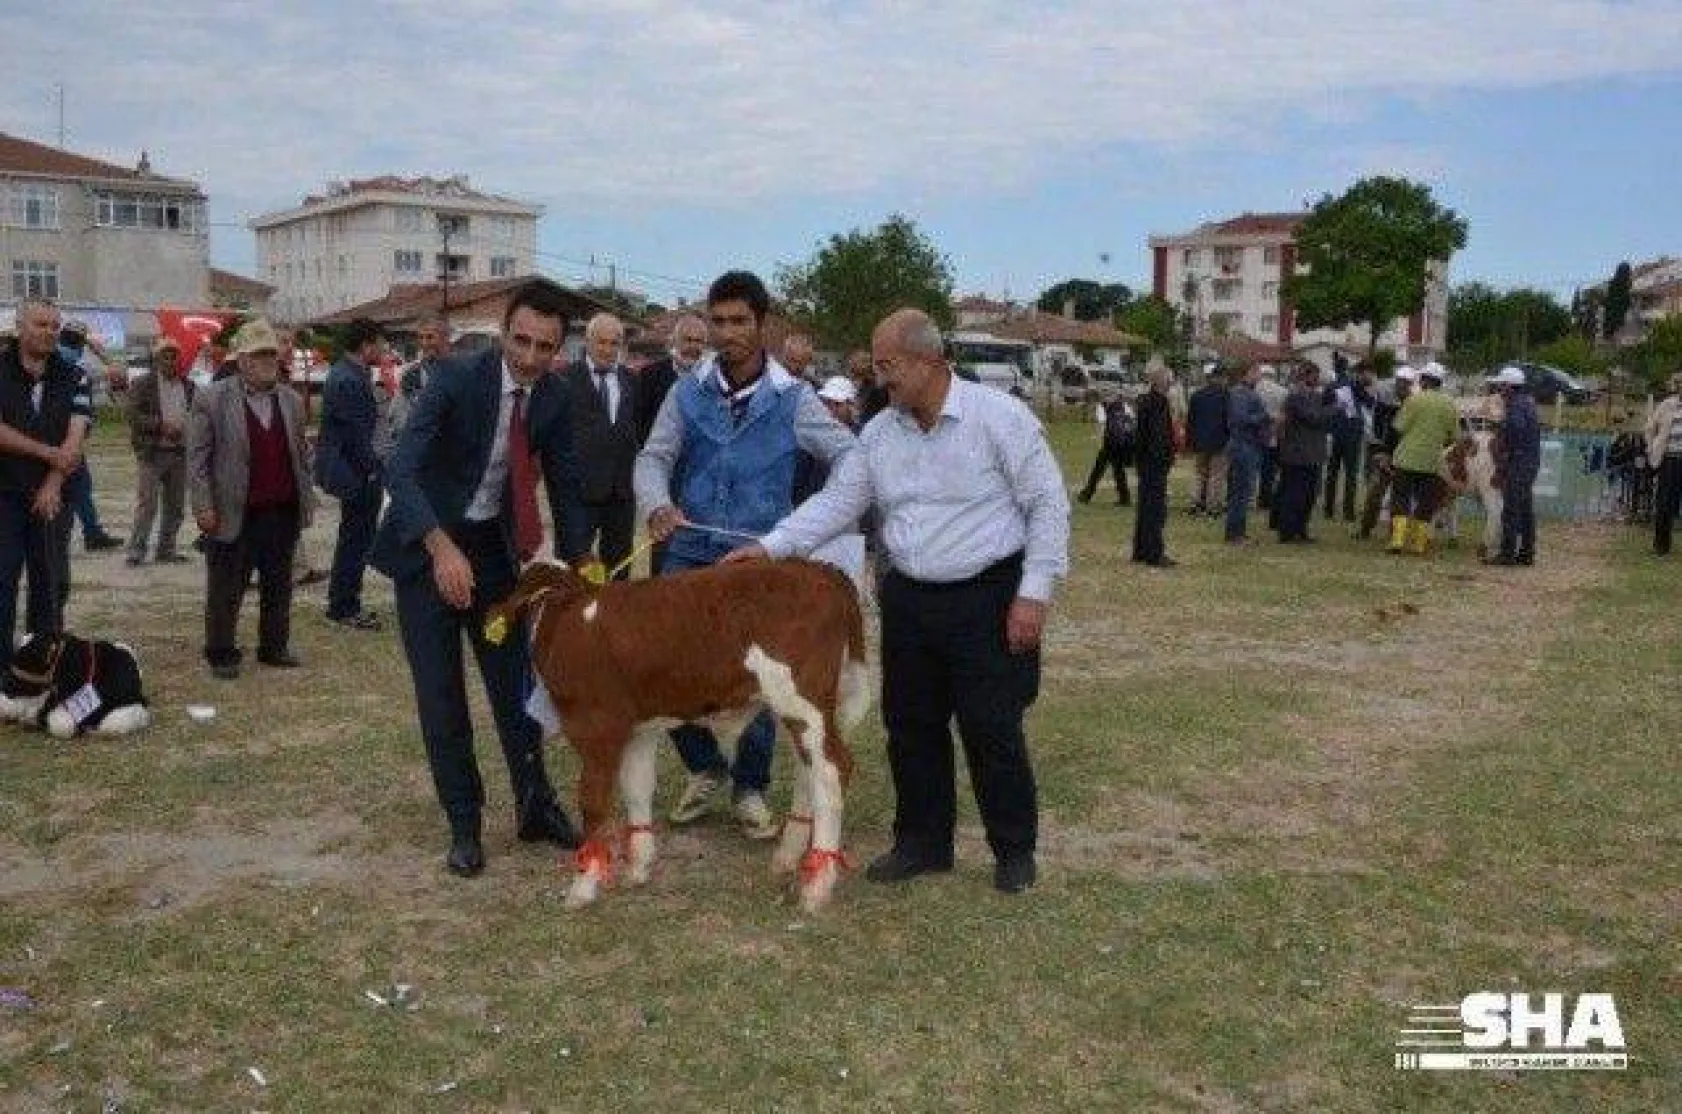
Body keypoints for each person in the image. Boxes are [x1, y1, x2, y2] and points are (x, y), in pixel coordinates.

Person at [726, 307, 1069, 894]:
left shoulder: (999, 419)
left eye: (888, 366)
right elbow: (839, 503)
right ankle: (922, 843)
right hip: (908, 597)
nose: (880, 378)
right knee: (911, 726)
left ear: (927, 360)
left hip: (988, 597)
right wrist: (769, 546)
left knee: (992, 729)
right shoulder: (881, 432)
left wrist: (1032, 596)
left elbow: (1048, 507)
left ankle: (1013, 850)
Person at [368, 278, 588, 877]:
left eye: (545, 347)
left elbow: (568, 489)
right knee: (443, 698)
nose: (531, 358)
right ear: (503, 331)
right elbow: (400, 470)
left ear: (558, 348)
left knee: (516, 688)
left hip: (492, 554)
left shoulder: (554, 397)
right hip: (426, 549)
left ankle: (535, 804)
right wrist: (440, 548)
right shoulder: (457, 378)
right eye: (522, 342)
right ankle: (464, 823)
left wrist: (578, 572)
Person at [634, 270, 855, 839]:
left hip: (758, 555)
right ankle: (705, 766)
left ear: (764, 326)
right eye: (718, 321)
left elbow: (853, 462)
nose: (726, 333)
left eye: (739, 322)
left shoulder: (795, 399)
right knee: (658, 665)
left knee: (761, 674)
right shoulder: (685, 391)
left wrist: (794, 533)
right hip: (687, 548)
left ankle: (750, 787)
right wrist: (657, 503)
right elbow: (652, 457)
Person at [186, 319, 316, 680]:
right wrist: (203, 506)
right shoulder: (212, 397)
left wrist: (307, 498)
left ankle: (274, 646)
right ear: (241, 359)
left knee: (279, 584)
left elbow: (300, 454)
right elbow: (196, 459)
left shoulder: (290, 399)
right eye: (259, 354)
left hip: (282, 509)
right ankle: (221, 651)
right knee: (226, 586)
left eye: (271, 354)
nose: (268, 361)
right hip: (232, 509)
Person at [0, 298, 88, 674]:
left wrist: (52, 483)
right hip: (4, 493)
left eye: (55, 326)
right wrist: (47, 453)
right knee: (2, 580)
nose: (50, 332)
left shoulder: (75, 374)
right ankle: (3, 670)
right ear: (20, 327)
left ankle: (41, 668)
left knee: (50, 582)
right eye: (40, 325)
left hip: (56, 495)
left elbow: (76, 434)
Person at [313, 318, 387, 629]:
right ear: (366, 344)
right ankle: (344, 606)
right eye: (380, 343)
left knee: (353, 538)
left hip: (354, 471)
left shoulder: (349, 374)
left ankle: (343, 602)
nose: (383, 349)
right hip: (356, 474)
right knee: (356, 541)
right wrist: (374, 470)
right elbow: (357, 436)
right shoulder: (349, 379)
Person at [564, 313, 640, 580]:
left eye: (614, 343)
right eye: (602, 342)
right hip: (580, 494)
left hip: (621, 494)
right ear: (588, 341)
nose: (608, 350)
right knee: (575, 568)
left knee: (619, 570)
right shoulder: (564, 380)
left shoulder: (633, 381)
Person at [124, 335, 195, 566]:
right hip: (151, 452)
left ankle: (166, 549)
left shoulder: (189, 386)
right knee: (148, 504)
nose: (171, 361)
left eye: (174, 356)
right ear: (156, 359)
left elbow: (197, 414)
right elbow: (132, 415)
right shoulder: (142, 384)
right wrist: (161, 426)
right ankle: (136, 549)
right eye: (165, 356)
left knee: (175, 506)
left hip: (179, 452)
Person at [54, 321, 123, 552]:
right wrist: (98, 349)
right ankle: (87, 533)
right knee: (76, 487)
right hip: (65, 440)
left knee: (79, 487)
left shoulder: (50, 362)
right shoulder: (79, 368)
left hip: (64, 439)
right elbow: (116, 371)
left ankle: (91, 532)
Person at [1388, 362, 1461, 555]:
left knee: (1400, 498)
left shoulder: (1414, 401)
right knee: (1426, 502)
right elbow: (1454, 437)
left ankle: (1397, 540)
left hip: (1406, 459)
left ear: (1425, 380)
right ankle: (1418, 544)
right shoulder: (1450, 404)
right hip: (1432, 462)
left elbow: (1399, 428)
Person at [1274, 364, 1338, 544]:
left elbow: (1320, 417)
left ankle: (1301, 529)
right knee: (1295, 495)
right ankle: (1287, 531)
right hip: (1297, 454)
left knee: (1309, 496)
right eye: (1315, 376)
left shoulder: (1313, 396)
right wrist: (1334, 408)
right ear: (1305, 377)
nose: (1318, 380)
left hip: (1312, 454)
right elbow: (1313, 417)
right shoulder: (1296, 396)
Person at [1484, 366, 1541, 566]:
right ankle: (1527, 552)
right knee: (1525, 509)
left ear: (1509, 386)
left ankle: (1507, 554)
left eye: (1501, 385)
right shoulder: (1528, 403)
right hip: (1530, 462)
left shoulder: (1515, 407)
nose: (1499, 389)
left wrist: (1503, 454)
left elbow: (1515, 430)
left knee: (1511, 509)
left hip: (1518, 462)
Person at [1359, 366, 1416, 540]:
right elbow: (1378, 428)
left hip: (1405, 454)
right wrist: (1382, 452)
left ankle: (1396, 533)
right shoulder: (1384, 399)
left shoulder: (1414, 402)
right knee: (1376, 492)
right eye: (1400, 382)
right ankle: (1366, 528)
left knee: (1400, 496)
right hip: (1384, 452)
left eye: (1406, 383)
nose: (1402, 386)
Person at [1133, 364, 1177, 568]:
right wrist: (1166, 458)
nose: (1171, 384)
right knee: (1155, 509)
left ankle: (1141, 549)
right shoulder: (1159, 403)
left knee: (1145, 507)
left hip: (1145, 462)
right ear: (1162, 381)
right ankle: (1153, 552)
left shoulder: (1144, 401)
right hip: (1155, 463)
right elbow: (1159, 437)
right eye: (1169, 380)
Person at [1224, 362, 1271, 545]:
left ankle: (1239, 532)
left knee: (1245, 491)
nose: (1259, 375)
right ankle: (1235, 534)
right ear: (1247, 374)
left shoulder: (1247, 393)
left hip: (1249, 445)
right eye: (1256, 372)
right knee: (1241, 492)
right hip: (1243, 446)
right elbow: (1240, 419)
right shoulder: (1240, 394)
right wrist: (1264, 417)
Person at [1322, 358, 1365, 522]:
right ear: (1347, 368)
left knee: (1332, 472)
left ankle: (1328, 509)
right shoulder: (1354, 385)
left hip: (1335, 432)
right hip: (1353, 432)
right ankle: (1348, 511)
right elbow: (1367, 401)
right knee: (1351, 473)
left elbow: (1324, 406)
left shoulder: (1330, 387)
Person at [1185, 362, 1229, 514]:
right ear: (1221, 377)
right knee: (1217, 475)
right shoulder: (1226, 395)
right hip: (1219, 441)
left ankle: (1195, 503)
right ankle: (1213, 505)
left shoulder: (1197, 395)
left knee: (1199, 473)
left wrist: (1189, 441)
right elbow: (1228, 420)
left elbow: (1190, 420)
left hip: (1199, 441)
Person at [1647, 371, 1682, 556]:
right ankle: (1661, 545)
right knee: (1664, 504)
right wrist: (1652, 448)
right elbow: (1650, 427)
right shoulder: (1667, 405)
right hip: (1670, 459)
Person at [1076, 395, 1133, 506]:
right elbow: (1130, 422)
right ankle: (1124, 498)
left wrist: (1100, 440)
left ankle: (1086, 495)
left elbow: (1102, 426)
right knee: (1117, 469)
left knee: (1099, 469)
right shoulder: (1123, 405)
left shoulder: (1101, 407)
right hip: (1124, 442)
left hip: (1110, 442)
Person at [1254, 363, 1288, 514]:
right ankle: (1266, 499)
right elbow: (1284, 414)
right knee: (1270, 469)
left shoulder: (1254, 390)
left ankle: (1254, 497)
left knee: (1255, 468)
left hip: (1256, 433)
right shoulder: (1282, 391)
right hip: (1274, 433)